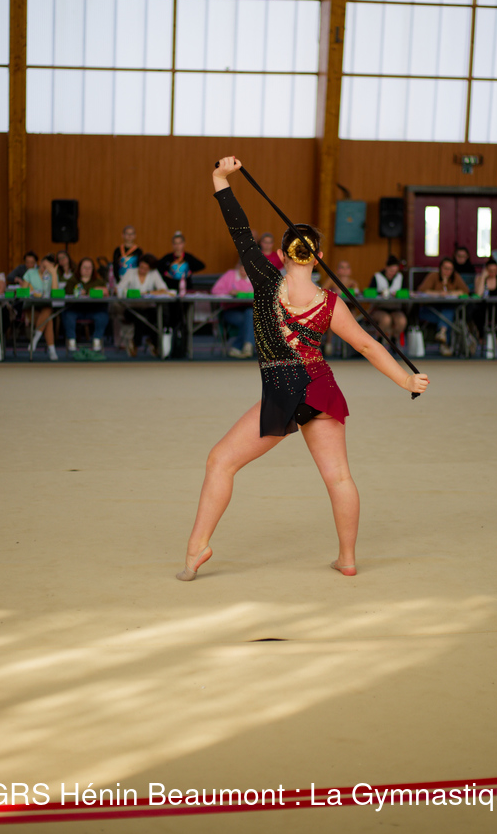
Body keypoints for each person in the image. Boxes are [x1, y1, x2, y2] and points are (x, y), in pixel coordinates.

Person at [175, 157, 429, 582]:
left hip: (284, 389)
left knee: (220, 461)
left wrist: (220, 178)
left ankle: (196, 549)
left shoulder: (264, 280)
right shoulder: (330, 303)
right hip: (320, 389)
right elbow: (367, 345)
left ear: (280, 254)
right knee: (339, 478)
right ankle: (347, 559)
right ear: (319, 257)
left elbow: (240, 232)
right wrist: (405, 379)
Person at [116, 253, 170, 356]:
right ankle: (136, 344)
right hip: (131, 308)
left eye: (145, 269)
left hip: (148, 307)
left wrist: (148, 293)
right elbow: (119, 289)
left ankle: (153, 342)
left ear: (150, 268)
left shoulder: (154, 273)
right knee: (140, 317)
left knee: (161, 316)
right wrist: (129, 293)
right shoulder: (130, 272)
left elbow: (164, 290)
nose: (142, 270)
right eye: (141, 267)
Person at [417, 257, 469, 356]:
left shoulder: (455, 277)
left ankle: (442, 334)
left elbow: (465, 291)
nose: (447, 271)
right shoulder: (433, 276)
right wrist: (438, 293)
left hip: (448, 309)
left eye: (450, 269)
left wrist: (450, 293)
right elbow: (422, 290)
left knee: (448, 310)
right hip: (430, 310)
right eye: (445, 268)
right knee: (448, 317)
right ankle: (443, 342)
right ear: (440, 268)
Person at [63, 257, 109, 353]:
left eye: (89, 267)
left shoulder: (99, 281)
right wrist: (87, 291)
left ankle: (97, 340)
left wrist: (102, 292)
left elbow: (106, 293)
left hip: (94, 310)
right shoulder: (72, 281)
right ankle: (71, 340)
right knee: (67, 315)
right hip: (75, 309)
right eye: (84, 267)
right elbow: (67, 293)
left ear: (93, 269)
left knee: (103, 315)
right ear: (79, 268)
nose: (87, 270)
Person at [211, 260, 255, 358]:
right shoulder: (229, 275)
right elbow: (215, 290)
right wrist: (229, 292)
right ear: (238, 267)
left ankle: (243, 347)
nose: (244, 273)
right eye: (242, 270)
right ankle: (241, 346)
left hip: (249, 308)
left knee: (250, 314)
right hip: (231, 309)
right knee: (249, 321)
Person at [24, 254, 60, 360]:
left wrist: (54, 274)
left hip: (45, 307)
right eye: (43, 266)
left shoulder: (52, 275)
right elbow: (23, 290)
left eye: (48, 268)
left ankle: (35, 340)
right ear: (40, 263)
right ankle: (52, 350)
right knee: (48, 320)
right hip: (30, 306)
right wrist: (32, 292)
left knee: (47, 313)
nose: (45, 269)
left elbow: (56, 294)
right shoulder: (30, 273)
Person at [368, 255, 407, 342]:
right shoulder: (377, 276)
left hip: (395, 308)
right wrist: (379, 293)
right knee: (386, 320)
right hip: (379, 308)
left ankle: (393, 340)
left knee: (402, 321)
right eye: (391, 271)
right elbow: (370, 293)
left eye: (395, 271)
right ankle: (379, 339)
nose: (393, 273)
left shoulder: (399, 277)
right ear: (386, 267)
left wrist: (398, 294)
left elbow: (404, 292)